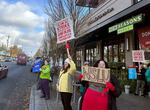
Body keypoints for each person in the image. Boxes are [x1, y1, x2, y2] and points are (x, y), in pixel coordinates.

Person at [57, 44, 76, 110]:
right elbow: (59, 79)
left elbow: (73, 67)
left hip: (67, 90)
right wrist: (58, 86)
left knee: (67, 105)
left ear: (69, 64)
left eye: (66, 63)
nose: (65, 64)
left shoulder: (70, 70)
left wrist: (70, 59)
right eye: (64, 63)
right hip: (61, 90)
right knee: (64, 105)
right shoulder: (62, 70)